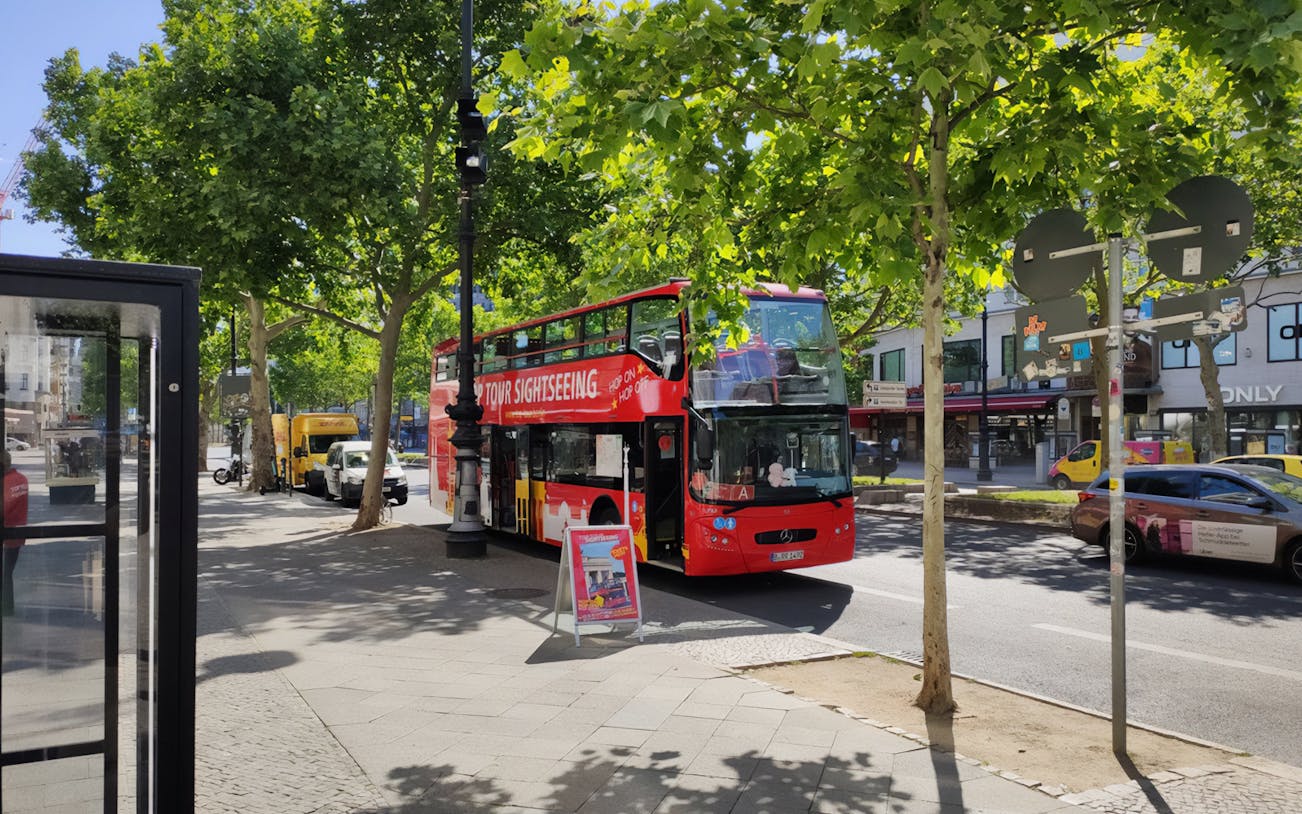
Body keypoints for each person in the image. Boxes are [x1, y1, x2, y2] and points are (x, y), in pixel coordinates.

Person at [3, 452, 30, 616]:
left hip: (7, 531)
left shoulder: (7, 482)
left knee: (5, 573)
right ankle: (7, 606)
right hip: (17, 533)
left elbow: (4, 508)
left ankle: (6, 607)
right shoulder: (21, 479)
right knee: (7, 573)